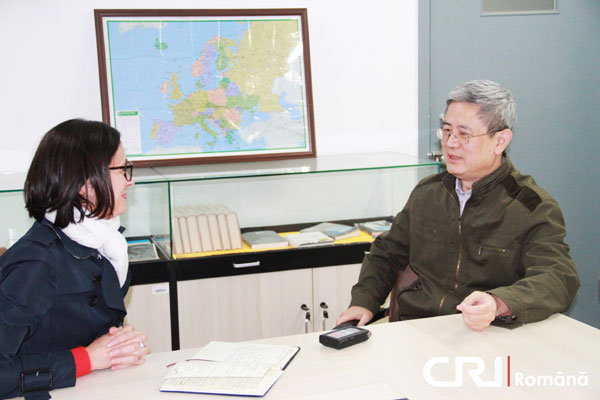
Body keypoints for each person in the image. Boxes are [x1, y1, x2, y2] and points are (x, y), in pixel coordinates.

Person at [337, 80, 580, 331]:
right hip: (420, 327)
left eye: (464, 134)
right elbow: (386, 253)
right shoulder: (428, 193)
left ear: (500, 141)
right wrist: (363, 302)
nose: (451, 143)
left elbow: (558, 277)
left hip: (488, 332)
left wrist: (500, 303)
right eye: (447, 130)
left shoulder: (530, 206)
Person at [0, 119, 149, 399]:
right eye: (122, 169)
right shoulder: (36, 262)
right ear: (85, 184)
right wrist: (87, 359)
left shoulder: (104, 243)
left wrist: (119, 350)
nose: (130, 180)